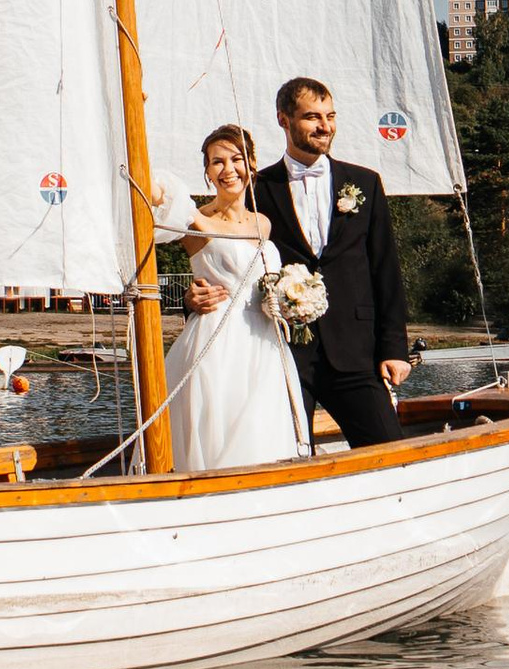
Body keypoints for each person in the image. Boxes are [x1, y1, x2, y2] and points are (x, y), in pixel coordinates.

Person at [222, 74, 413, 451]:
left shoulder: (366, 183)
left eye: (330, 116)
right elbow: (232, 261)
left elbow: (385, 270)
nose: (325, 126)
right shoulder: (258, 189)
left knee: (391, 454)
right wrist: (196, 299)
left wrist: (395, 348)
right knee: (289, 454)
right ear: (284, 120)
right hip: (284, 352)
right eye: (313, 117)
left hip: (356, 351)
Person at [164, 121, 311, 473]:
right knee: (221, 431)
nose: (228, 169)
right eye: (217, 162)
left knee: (265, 426)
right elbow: (159, 201)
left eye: (236, 159)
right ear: (207, 173)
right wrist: (188, 299)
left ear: (251, 165)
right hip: (218, 343)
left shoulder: (264, 224)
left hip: (265, 341)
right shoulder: (195, 221)